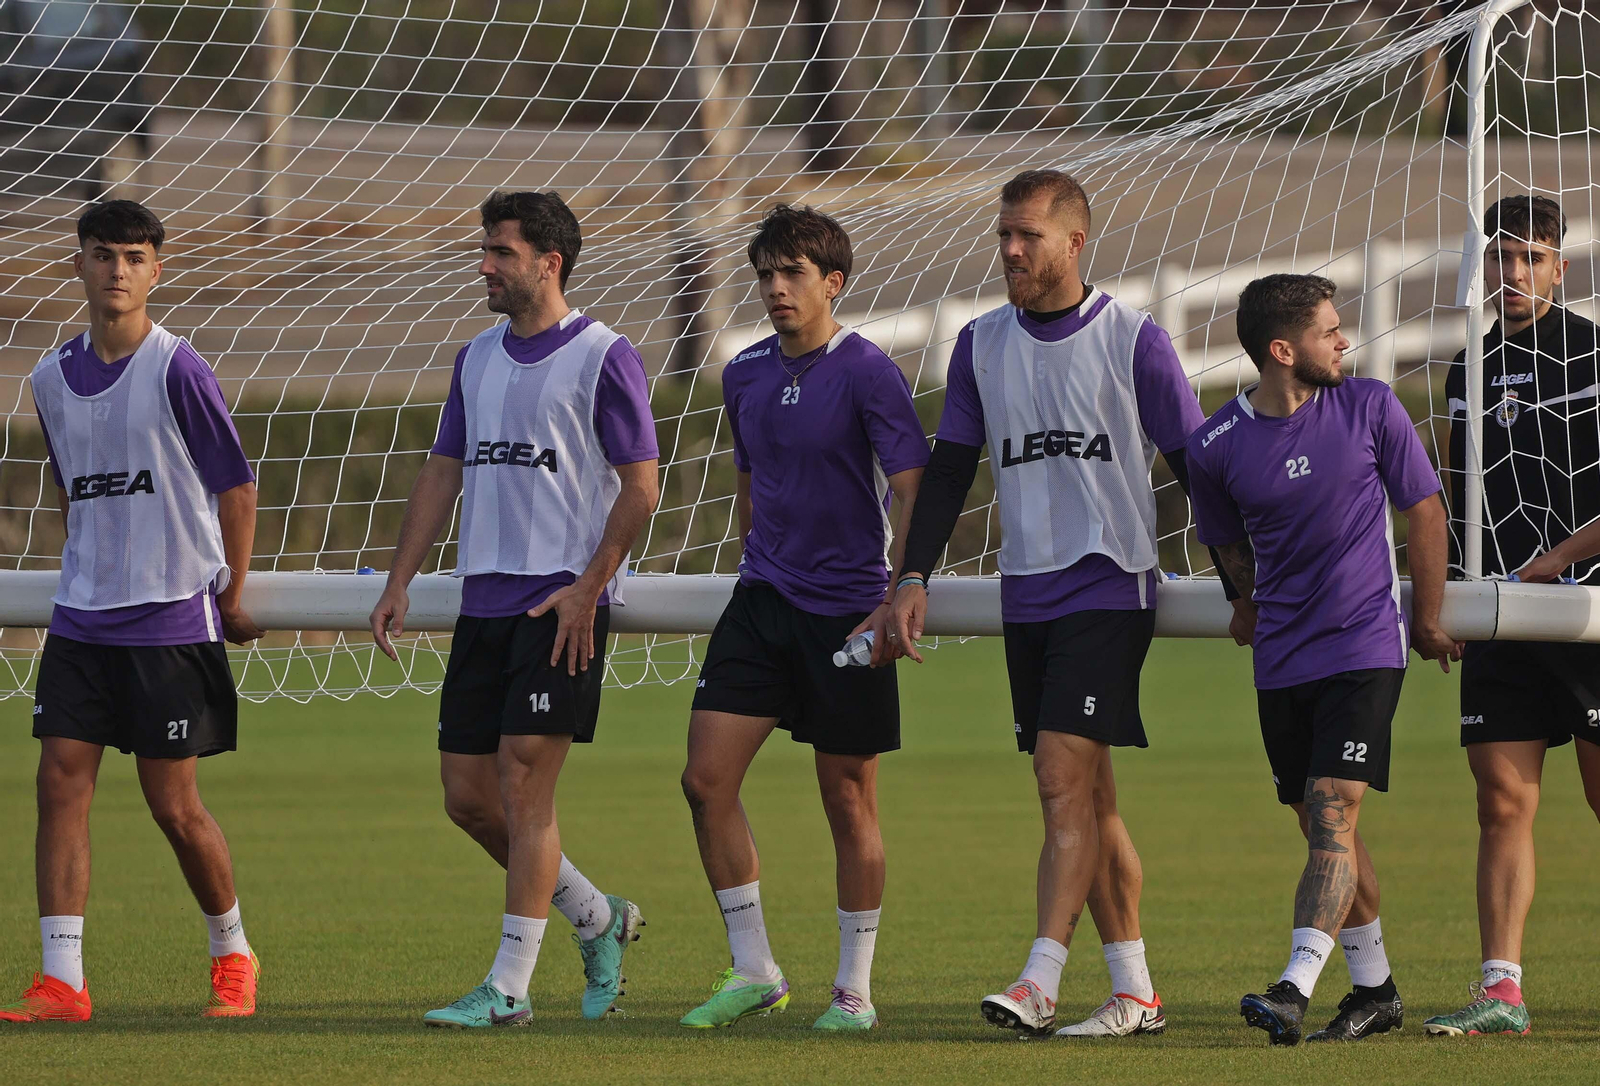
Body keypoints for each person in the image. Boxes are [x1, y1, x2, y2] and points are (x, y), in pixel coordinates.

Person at [888, 169, 1225, 1038]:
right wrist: (914, 575)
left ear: (1074, 243)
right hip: (1027, 594)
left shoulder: (1135, 342)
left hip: (1110, 585)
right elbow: (953, 471)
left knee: (1056, 778)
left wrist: (1245, 582)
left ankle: (1041, 978)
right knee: (1091, 799)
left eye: (1026, 236)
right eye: (1003, 234)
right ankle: (1136, 993)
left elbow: (1198, 470)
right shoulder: (979, 343)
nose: (1008, 251)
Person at [369, 190, 660, 1028]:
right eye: (486, 251)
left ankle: (509, 990)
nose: (486, 266)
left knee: (526, 787)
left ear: (548, 262)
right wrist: (400, 581)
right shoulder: (477, 357)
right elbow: (441, 469)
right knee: (467, 798)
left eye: (500, 252)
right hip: (483, 604)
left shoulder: (606, 355)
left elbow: (641, 487)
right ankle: (597, 917)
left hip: (559, 607)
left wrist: (589, 586)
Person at [2, 200, 266, 1023]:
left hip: (169, 616)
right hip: (82, 615)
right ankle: (62, 980)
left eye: (135, 256)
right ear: (78, 263)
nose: (118, 270)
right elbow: (72, 486)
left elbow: (237, 483)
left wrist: (232, 589)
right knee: (58, 783)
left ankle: (233, 952)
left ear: (157, 270)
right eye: (104, 254)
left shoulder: (177, 367)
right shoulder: (47, 379)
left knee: (173, 806)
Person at [1186, 273, 1459, 1046]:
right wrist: (1244, 601)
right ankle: (1375, 990)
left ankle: (1294, 985)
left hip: (1365, 642)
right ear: (1282, 350)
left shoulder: (1370, 405)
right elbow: (1228, 545)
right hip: (1281, 660)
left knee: (1335, 805)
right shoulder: (1214, 445)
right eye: (1328, 331)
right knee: (1320, 826)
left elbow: (1425, 510)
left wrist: (1427, 619)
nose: (1345, 341)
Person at [678, 205, 928, 1032]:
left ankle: (853, 988)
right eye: (766, 275)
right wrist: (759, 563)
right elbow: (750, 485)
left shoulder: (869, 372)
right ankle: (754, 970)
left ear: (833, 284)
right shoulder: (744, 373)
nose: (776, 289)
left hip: (846, 614)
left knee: (848, 801)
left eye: (793, 275)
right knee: (704, 781)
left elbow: (911, 490)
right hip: (761, 604)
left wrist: (893, 597)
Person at [1424, 194, 1600, 1038]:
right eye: (1501, 257)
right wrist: (1455, 592)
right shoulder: (1470, 365)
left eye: (1533, 257)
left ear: (1560, 266)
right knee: (1501, 803)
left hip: (1588, 614)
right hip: (1499, 614)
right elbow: (1459, 496)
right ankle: (1501, 991)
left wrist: (1561, 561)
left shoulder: (1596, 353)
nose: (1515, 273)